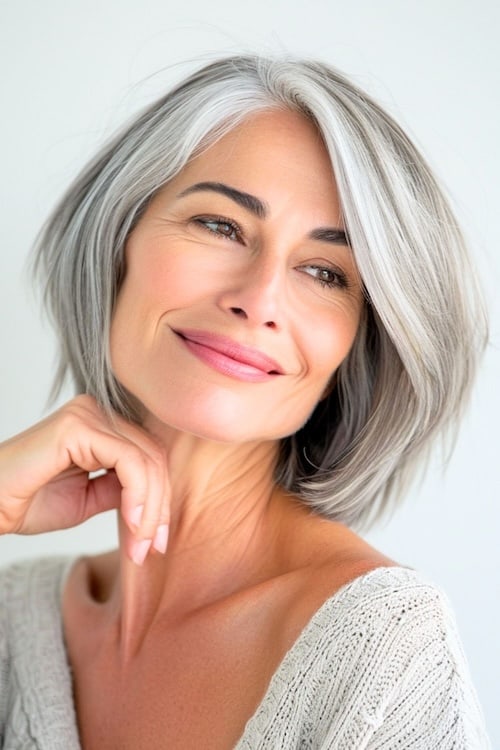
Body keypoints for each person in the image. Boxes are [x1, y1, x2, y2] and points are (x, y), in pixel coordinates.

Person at [0, 55, 491, 749]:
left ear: (359, 344)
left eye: (324, 272)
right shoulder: (15, 620)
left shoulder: (384, 648)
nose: (258, 300)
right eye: (221, 225)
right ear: (118, 241)